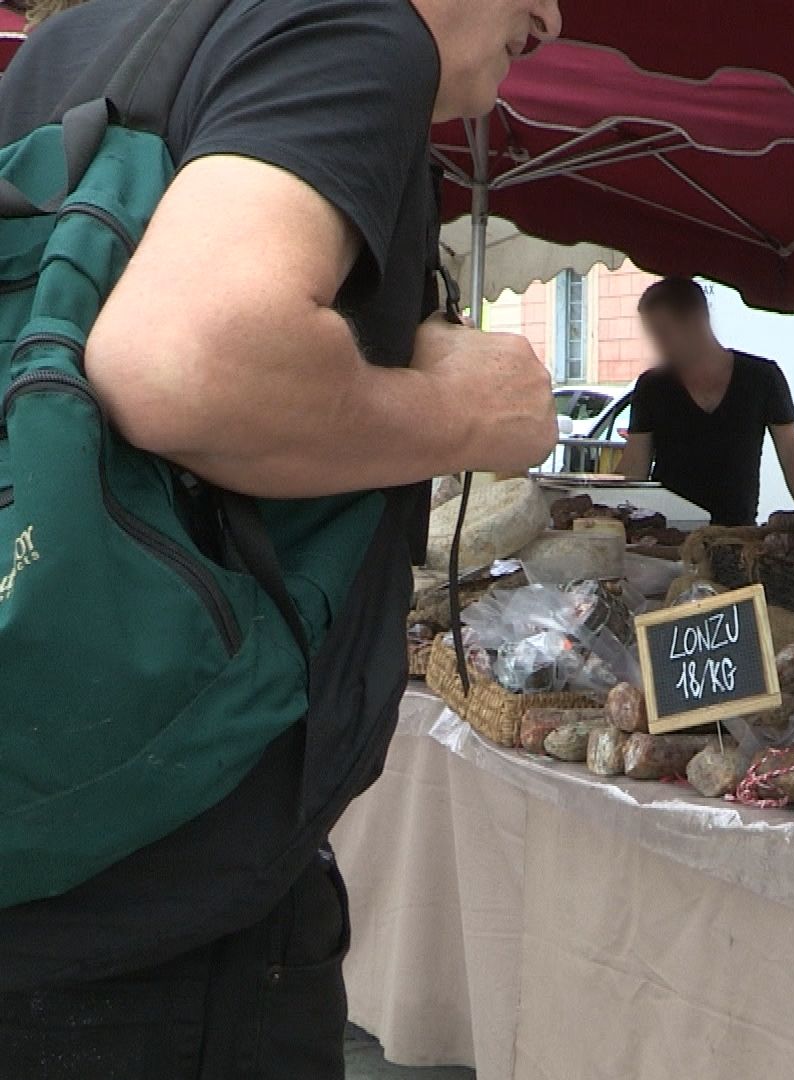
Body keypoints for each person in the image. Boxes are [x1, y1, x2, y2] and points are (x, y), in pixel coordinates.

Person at [0, 0, 560, 1076]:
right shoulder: (353, 27)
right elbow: (187, 367)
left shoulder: (71, 45)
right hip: (158, 920)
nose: (551, 15)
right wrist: (472, 416)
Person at [620, 276, 794, 525]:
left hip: (738, 534)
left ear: (696, 321)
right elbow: (635, 467)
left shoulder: (762, 377)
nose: (658, 345)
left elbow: (791, 452)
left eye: (663, 333)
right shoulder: (652, 386)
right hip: (668, 534)